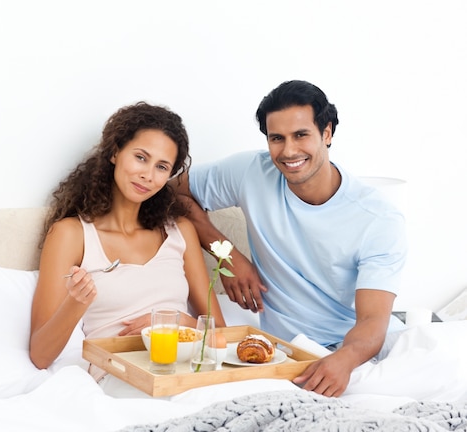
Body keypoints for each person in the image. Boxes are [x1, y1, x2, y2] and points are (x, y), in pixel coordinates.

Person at [174, 80, 407, 397]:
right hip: (285, 351)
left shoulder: (377, 218)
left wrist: (344, 361)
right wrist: (227, 254)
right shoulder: (250, 172)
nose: (288, 151)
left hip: (359, 354)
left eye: (301, 135)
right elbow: (173, 192)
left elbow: (372, 320)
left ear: (326, 133)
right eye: (276, 139)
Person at [29, 101, 226, 384]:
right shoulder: (71, 234)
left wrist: (183, 323)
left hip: (188, 372)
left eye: (162, 166)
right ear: (114, 152)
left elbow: (220, 336)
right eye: (141, 157)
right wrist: (75, 303)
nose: (148, 175)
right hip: (120, 375)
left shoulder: (180, 231)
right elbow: (40, 356)